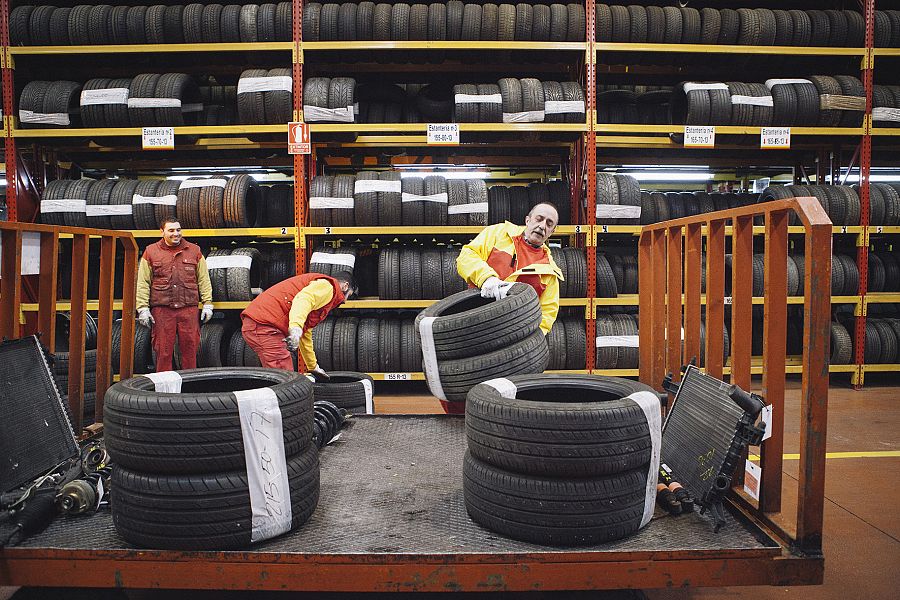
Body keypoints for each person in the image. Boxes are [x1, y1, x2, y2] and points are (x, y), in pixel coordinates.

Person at [456, 202, 562, 335]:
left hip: (512, 338)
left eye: (549, 224)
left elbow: (547, 313)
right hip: (475, 321)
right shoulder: (498, 234)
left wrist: (531, 340)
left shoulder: (549, 270)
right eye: (539, 219)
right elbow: (466, 256)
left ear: (552, 232)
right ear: (527, 220)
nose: (542, 226)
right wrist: (486, 278)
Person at [240, 270, 357, 377]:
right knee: (284, 377)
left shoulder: (321, 292)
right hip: (263, 325)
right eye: (348, 295)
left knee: (282, 377)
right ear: (345, 286)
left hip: (261, 324)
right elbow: (303, 299)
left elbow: (306, 334)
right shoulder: (328, 286)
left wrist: (313, 367)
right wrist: (296, 328)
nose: (345, 301)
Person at [136, 218, 214, 372]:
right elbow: (143, 281)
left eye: (178, 230)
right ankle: (164, 392)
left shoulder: (194, 251)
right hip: (163, 311)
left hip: (188, 310)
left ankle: (189, 389)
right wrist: (143, 308)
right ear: (162, 232)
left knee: (190, 351)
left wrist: (208, 304)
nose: (176, 233)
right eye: (171, 230)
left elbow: (204, 279)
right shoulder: (150, 252)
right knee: (163, 352)